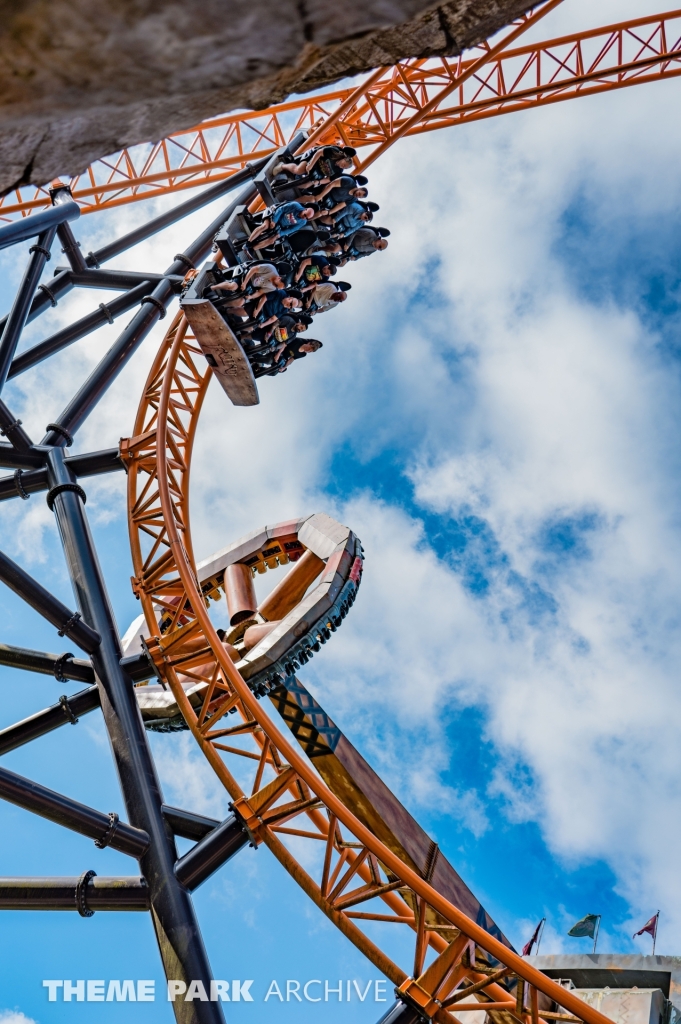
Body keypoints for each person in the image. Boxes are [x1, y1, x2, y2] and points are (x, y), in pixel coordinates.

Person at [248, 201, 316, 247]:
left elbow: (292, 229)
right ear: (305, 209)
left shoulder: (303, 222)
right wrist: (274, 221)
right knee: (265, 226)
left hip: (280, 226)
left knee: (272, 240)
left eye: (306, 218)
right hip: (274, 214)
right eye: (305, 215)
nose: (304, 218)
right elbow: (281, 209)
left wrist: (280, 234)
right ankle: (248, 243)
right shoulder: (295, 205)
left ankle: (254, 248)